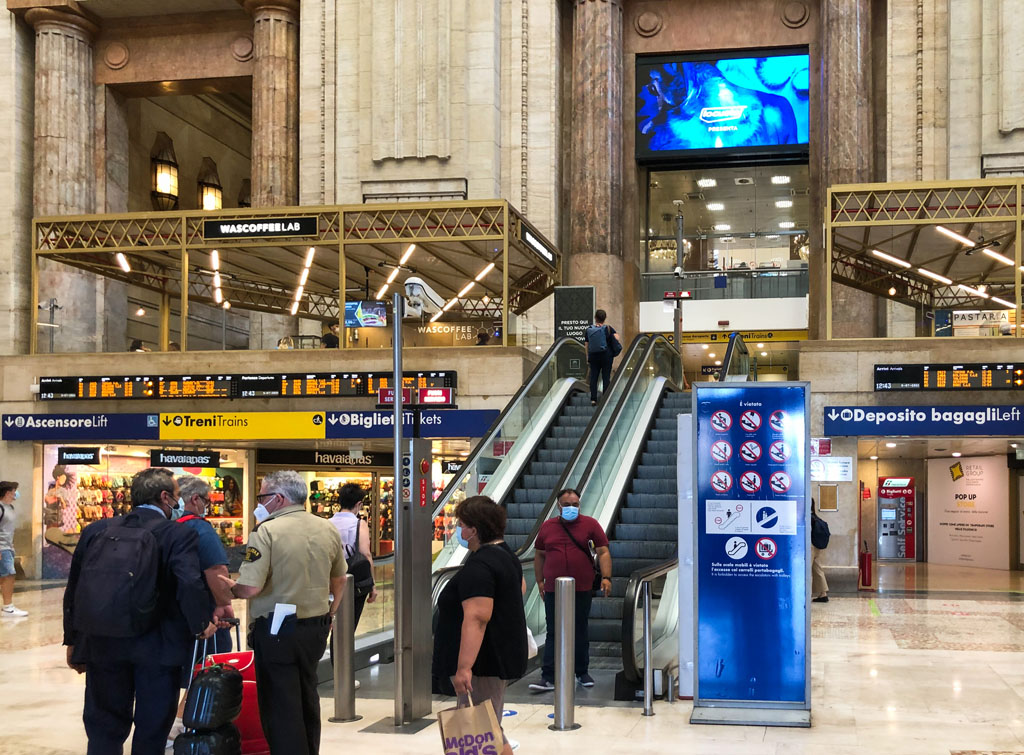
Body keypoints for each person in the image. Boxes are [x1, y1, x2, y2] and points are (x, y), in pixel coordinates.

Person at [63, 468, 217, 755]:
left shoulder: (97, 530)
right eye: (177, 495)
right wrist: (201, 623)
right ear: (164, 497)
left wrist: (73, 640)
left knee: (104, 724)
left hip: (102, 642)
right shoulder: (176, 533)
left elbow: (74, 588)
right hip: (158, 647)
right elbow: (189, 583)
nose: (179, 501)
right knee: (152, 725)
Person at [222, 470, 347, 755]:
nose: (260, 503)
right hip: (314, 628)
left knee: (280, 704)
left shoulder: (266, 531)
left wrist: (229, 588)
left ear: (278, 498)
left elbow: (250, 588)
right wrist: (331, 613)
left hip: (277, 631)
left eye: (262, 496)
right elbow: (340, 579)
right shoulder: (326, 528)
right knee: (306, 696)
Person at [432, 496, 526, 755]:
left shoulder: (481, 564)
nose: (459, 531)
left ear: (474, 529)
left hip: (483, 664)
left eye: (462, 525)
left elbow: (477, 617)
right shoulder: (506, 555)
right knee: (489, 727)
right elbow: (519, 589)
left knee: (482, 729)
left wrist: (464, 668)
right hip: (495, 659)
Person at [529, 488, 611, 691]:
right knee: (553, 630)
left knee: (580, 628)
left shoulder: (590, 524)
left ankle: (581, 672)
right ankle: (548, 676)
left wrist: (607, 577)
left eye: (575, 504)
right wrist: (540, 581)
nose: (571, 508)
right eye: (567, 505)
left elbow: (603, 551)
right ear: (558, 506)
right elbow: (539, 555)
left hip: (581, 586)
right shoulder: (548, 527)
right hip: (554, 588)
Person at [176, 475, 235, 648]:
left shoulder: (164, 525)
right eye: (206, 502)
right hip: (204, 615)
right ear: (195, 499)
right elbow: (216, 569)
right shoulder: (200, 528)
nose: (207, 507)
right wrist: (224, 604)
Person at [328, 483, 378, 628]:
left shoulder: (327, 523)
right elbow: (366, 553)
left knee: (332, 622)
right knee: (349, 625)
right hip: (354, 582)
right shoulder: (359, 524)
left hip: (330, 580)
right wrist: (372, 585)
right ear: (359, 504)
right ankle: (342, 650)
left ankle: (335, 649)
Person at [0, 481, 27, 617]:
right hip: (2, 547)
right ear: (7, 492)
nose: (16, 493)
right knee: (9, 575)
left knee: (6, 575)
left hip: (8, 547)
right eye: (14, 491)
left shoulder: (10, 507)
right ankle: (8, 606)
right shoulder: (1, 508)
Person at [584, 309, 620, 405]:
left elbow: (586, 345)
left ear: (595, 318)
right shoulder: (608, 328)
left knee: (594, 377)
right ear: (604, 318)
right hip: (606, 356)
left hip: (593, 356)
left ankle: (593, 399)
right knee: (606, 377)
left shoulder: (589, 329)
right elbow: (617, 338)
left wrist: (587, 357)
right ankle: (606, 398)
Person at [810, 499, 830, 603]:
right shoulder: (815, 517)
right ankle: (823, 594)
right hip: (817, 547)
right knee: (817, 569)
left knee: (807, 570)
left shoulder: (807, 518)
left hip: (810, 547)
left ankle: (806, 594)